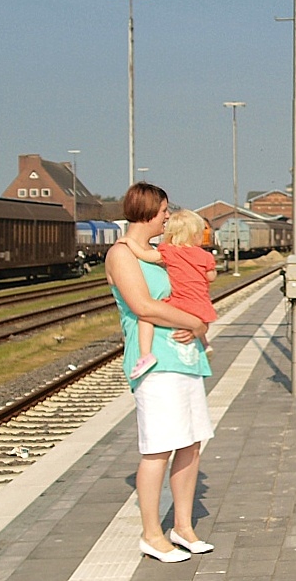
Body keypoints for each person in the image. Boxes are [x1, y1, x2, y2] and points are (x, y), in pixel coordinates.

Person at [107, 183, 214, 563]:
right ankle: (151, 534)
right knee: (158, 448)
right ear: (149, 210)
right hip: (153, 363)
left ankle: (182, 527)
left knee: (190, 442)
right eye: (165, 210)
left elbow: (192, 287)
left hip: (185, 359)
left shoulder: (158, 254)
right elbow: (143, 306)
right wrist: (196, 323)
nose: (168, 216)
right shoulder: (121, 254)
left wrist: (197, 323)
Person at [120, 208, 218, 381]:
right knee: (195, 317)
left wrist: (128, 242)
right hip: (201, 304)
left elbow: (144, 255)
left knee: (146, 316)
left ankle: (145, 355)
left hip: (180, 302)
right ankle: (205, 344)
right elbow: (211, 276)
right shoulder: (205, 255)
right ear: (195, 234)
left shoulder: (170, 251)